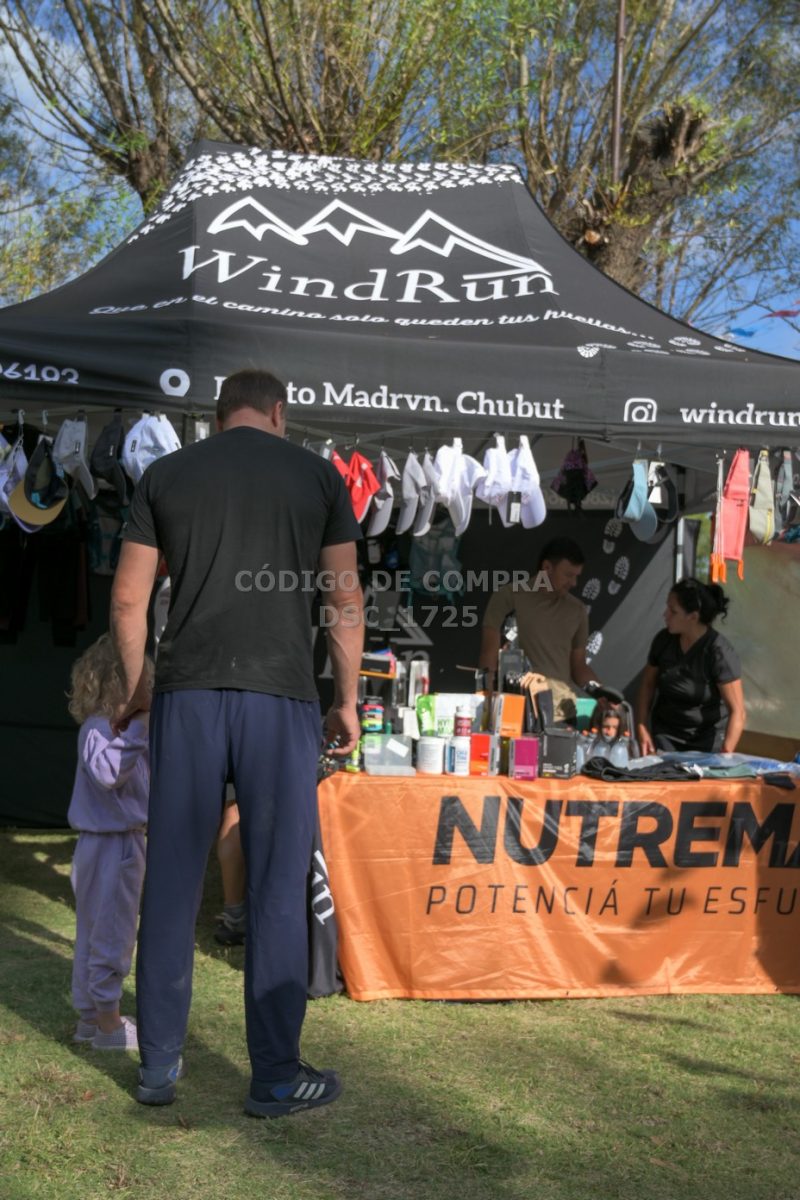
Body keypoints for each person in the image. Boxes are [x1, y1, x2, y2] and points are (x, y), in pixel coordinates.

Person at [110, 368, 363, 1117]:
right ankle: (276, 1077)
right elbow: (344, 597)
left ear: (219, 415)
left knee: (172, 879)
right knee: (277, 884)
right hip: (280, 699)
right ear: (279, 412)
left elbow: (127, 598)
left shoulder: (166, 474)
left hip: (188, 694)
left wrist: (138, 685)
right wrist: (347, 700)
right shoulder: (319, 477)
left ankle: (158, 1066)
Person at [66, 634, 152, 1051]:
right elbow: (110, 773)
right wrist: (139, 726)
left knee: (93, 931)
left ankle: (89, 1017)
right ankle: (108, 1024)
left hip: (103, 844)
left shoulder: (98, 729)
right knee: (112, 933)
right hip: (113, 846)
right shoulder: (103, 729)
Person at [478, 537, 599, 720]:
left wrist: (602, 693)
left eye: (577, 576)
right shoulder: (508, 597)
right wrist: (486, 705)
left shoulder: (577, 610)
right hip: (515, 711)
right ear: (547, 567)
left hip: (563, 714)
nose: (574, 583)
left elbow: (579, 666)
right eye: (568, 575)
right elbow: (489, 656)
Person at [635, 577, 745, 754]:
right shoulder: (663, 640)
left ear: (693, 617)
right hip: (665, 737)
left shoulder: (719, 652)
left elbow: (738, 712)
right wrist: (641, 727)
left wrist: (725, 756)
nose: (665, 615)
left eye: (673, 611)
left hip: (707, 744)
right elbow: (648, 685)